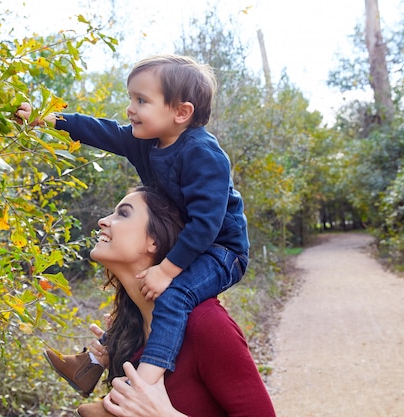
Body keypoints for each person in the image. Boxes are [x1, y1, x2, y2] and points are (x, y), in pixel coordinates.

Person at [15, 54, 250, 393]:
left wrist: (167, 270)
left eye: (141, 100)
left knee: (173, 295)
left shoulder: (203, 155)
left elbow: (206, 225)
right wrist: (48, 119)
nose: (130, 108)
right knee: (137, 293)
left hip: (221, 250)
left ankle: (142, 388)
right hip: (188, 242)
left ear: (181, 112)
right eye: (131, 98)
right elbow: (100, 130)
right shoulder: (144, 142)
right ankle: (91, 364)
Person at [76, 186, 275, 416]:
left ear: (154, 241)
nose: (103, 221)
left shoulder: (206, 324)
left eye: (123, 213)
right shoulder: (133, 327)